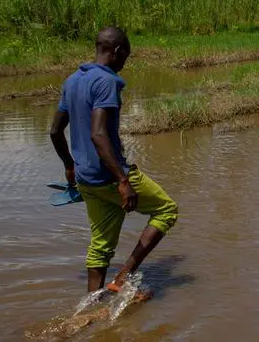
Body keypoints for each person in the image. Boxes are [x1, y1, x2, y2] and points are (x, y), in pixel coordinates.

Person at [49, 26, 178, 297]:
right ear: (117, 52)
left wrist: (69, 165)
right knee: (166, 210)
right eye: (125, 57)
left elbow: (54, 131)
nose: (124, 64)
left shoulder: (72, 81)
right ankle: (123, 278)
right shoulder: (107, 81)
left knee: (100, 245)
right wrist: (123, 180)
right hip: (109, 176)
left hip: (86, 179)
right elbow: (98, 134)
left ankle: (91, 303)